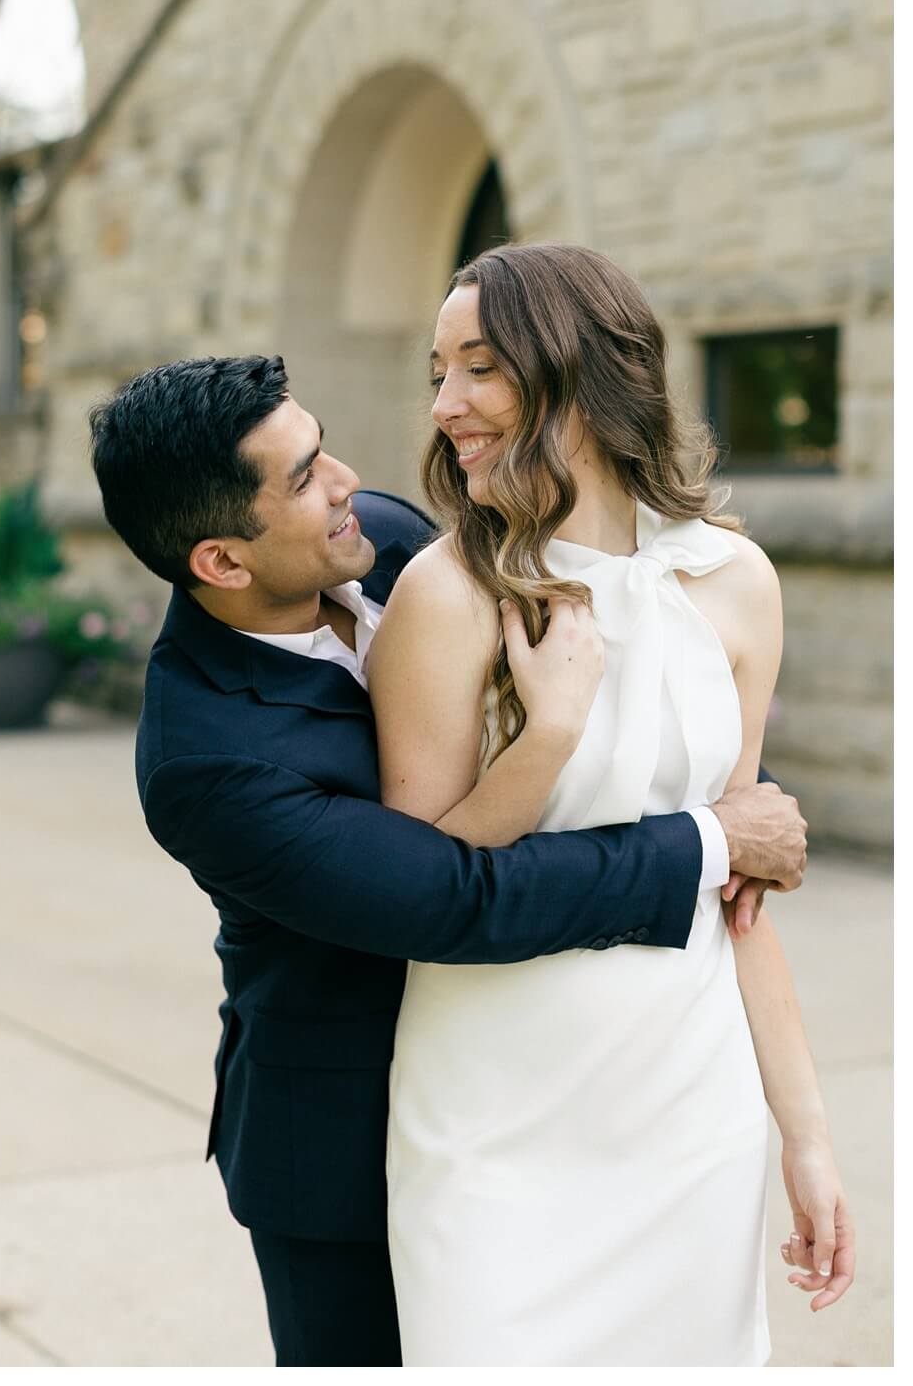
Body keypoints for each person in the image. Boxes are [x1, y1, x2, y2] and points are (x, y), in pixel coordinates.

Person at [88, 352, 810, 1366]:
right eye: (299, 479)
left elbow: (590, 674)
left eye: (320, 448)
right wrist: (705, 839)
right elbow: (455, 898)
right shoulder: (205, 762)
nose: (344, 481)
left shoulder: (375, 540)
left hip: (549, 1079)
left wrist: (717, 776)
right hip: (345, 1142)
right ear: (220, 561)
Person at [375, 243, 852, 1363]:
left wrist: (807, 1137)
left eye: (477, 368)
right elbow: (419, 886)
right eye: (435, 371)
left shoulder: (734, 582)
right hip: (490, 1114)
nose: (444, 404)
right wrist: (544, 736)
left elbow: (738, 892)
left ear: (576, 373)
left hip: (688, 1110)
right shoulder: (444, 594)